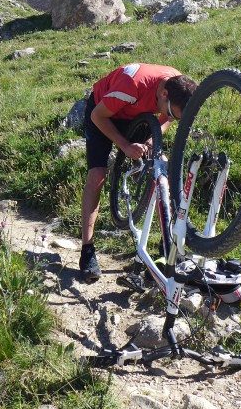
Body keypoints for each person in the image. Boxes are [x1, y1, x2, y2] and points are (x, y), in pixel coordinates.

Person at [79, 63, 198, 281]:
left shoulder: (178, 84)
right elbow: (98, 116)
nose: (172, 116)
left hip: (136, 113)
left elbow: (167, 118)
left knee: (161, 162)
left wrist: (154, 137)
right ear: (163, 94)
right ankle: (87, 250)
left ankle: (168, 240)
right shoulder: (131, 85)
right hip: (102, 112)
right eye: (171, 111)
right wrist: (124, 145)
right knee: (97, 175)